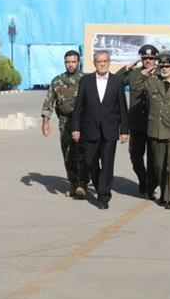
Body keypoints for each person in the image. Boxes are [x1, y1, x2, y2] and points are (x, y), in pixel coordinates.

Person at [132, 53, 170, 210]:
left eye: (167, 66)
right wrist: (144, 72)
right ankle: (163, 193)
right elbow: (135, 87)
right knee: (158, 165)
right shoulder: (152, 81)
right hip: (156, 129)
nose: (164, 69)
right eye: (162, 66)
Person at [71, 50, 129, 209]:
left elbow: (123, 107)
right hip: (90, 129)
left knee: (108, 164)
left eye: (105, 61)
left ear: (109, 62)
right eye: (99, 61)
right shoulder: (85, 81)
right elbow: (79, 107)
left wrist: (125, 130)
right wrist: (75, 128)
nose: (102, 64)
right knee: (90, 162)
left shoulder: (117, 82)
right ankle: (99, 186)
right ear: (94, 63)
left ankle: (104, 197)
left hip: (110, 130)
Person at [40, 50, 88, 199]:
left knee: (83, 152)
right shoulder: (57, 81)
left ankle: (82, 183)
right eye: (68, 62)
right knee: (68, 153)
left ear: (78, 62)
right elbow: (49, 102)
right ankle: (73, 183)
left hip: (83, 122)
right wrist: (45, 122)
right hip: (65, 122)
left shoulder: (86, 79)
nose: (70, 64)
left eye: (73, 61)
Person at [116, 44, 159, 198]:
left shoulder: (161, 73)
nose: (148, 60)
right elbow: (115, 82)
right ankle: (143, 179)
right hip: (136, 123)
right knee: (135, 157)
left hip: (155, 123)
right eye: (145, 58)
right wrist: (126, 68)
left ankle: (151, 186)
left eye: (151, 58)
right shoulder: (134, 74)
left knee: (154, 159)